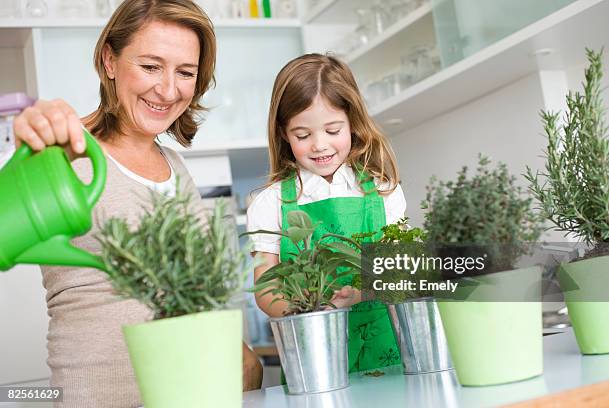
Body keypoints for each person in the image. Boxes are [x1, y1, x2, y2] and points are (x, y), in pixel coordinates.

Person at [12, 1, 262, 406]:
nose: (167, 89)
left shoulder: (174, 165)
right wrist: (26, 145)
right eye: (150, 66)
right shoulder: (65, 151)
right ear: (110, 60)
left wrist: (239, 354)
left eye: (186, 72)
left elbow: (190, 292)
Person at [247, 53, 407, 373]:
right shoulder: (270, 203)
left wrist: (360, 292)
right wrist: (307, 310)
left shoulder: (383, 190)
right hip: (314, 362)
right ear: (283, 133)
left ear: (353, 122)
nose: (320, 145)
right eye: (303, 135)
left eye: (333, 130)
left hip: (388, 353)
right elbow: (265, 284)